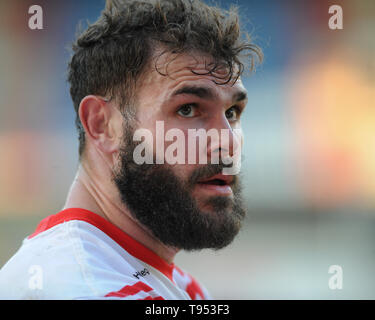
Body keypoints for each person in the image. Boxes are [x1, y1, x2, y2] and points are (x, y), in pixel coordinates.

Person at [0, 0, 262, 299]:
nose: (226, 142)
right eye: (188, 109)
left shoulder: (171, 282)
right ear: (102, 124)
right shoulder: (86, 289)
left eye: (232, 112)